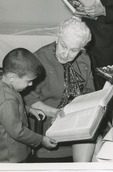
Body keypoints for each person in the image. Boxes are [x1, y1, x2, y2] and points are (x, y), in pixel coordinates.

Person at [23, 17, 96, 162]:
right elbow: (29, 100)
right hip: (47, 123)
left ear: (82, 49)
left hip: (76, 120)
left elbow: (89, 93)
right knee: (94, 143)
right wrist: (55, 112)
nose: (65, 54)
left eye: (74, 50)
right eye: (63, 45)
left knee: (100, 142)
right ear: (58, 37)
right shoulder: (39, 60)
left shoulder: (84, 60)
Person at [0, 48, 57, 163]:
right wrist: (41, 139)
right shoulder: (7, 100)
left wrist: (29, 109)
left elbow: (10, 109)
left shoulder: (3, 85)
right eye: (28, 81)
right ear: (12, 77)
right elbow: (18, 132)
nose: (31, 84)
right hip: (11, 157)